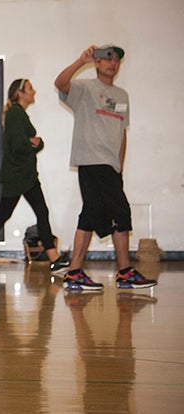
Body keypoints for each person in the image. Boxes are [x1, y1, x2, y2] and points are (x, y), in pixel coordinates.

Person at [54, 44, 157, 290]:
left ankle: (75, 273)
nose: (113, 63)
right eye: (108, 58)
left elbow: (122, 134)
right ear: (98, 63)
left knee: (90, 215)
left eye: (117, 60)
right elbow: (60, 82)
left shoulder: (122, 96)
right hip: (91, 160)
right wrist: (81, 61)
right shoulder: (85, 89)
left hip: (110, 166)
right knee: (120, 213)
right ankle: (124, 272)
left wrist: (119, 167)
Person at [0, 79, 70, 275]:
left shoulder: (19, 114)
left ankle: (54, 258)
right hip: (17, 176)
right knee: (3, 214)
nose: (34, 91)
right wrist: (35, 143)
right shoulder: (15, 113)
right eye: (30, 88)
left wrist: (37, 143)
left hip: (26, 175)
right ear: (20, 93)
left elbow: (29, 143)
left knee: (41, 212)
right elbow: (19, 145)